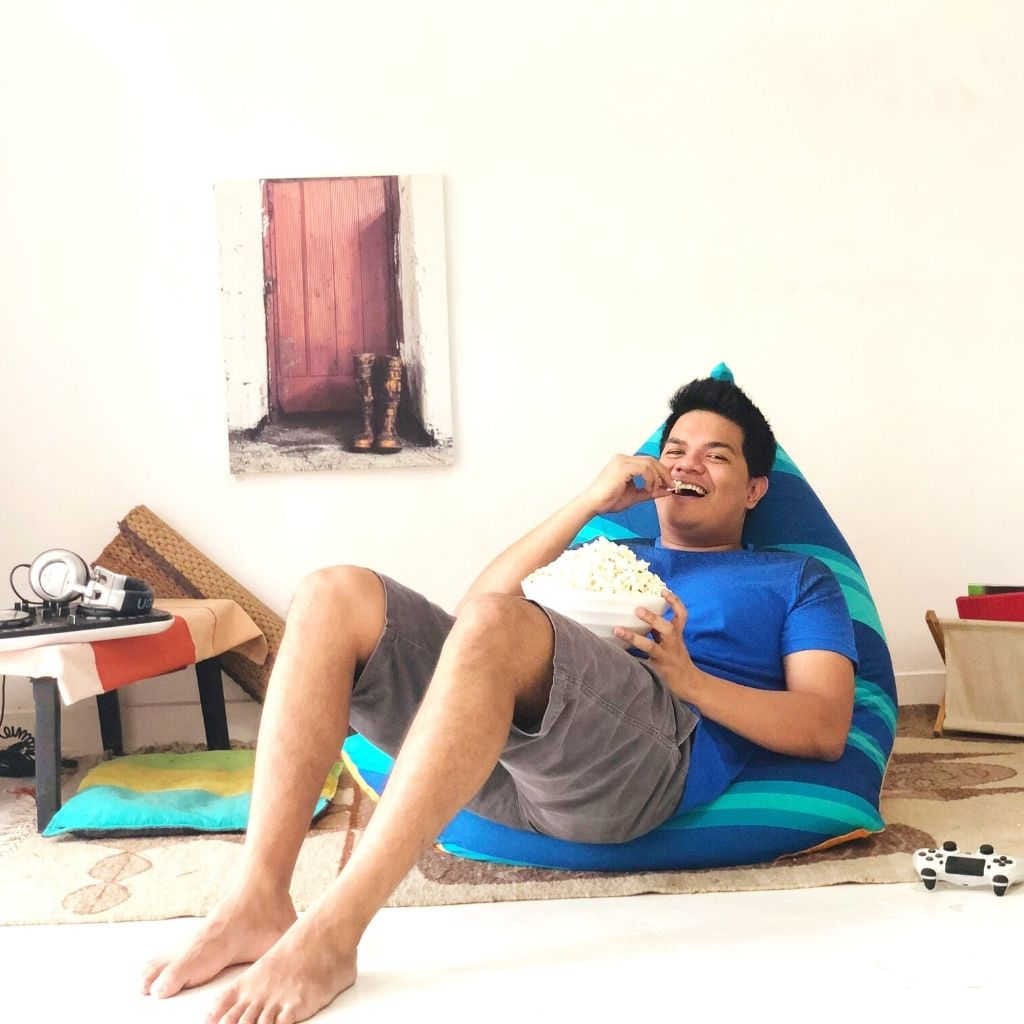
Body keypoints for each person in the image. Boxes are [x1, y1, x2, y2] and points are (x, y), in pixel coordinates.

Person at [141, 377, 857, 1024]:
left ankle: (333, 934)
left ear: (755, 490)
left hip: (644, 762)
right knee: (334, 592)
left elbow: (825, 726)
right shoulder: (612, 553)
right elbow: (473, 620)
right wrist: (589, 502)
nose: (686, 465)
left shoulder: (796, 579)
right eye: (675, 451)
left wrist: (689, 679)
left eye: (715, 456)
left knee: (497, 622)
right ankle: (256, 898)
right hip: (501, 757)